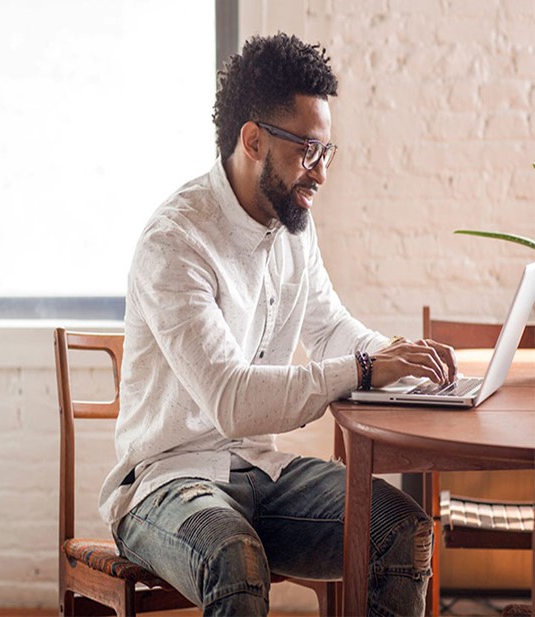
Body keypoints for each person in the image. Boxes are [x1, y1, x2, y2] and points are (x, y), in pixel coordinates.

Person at [99, 33, 456, 616]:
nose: (319, 173)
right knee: (235, 559)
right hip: (166, 483)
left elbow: (328, 327)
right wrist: (365, 368)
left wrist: (398, 356)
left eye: (326, 153)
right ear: (254, 140)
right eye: (306, 152)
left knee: (400, 532)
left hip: (260, 471)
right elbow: (233, 401)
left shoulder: (293, 228)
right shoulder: (176, 241)